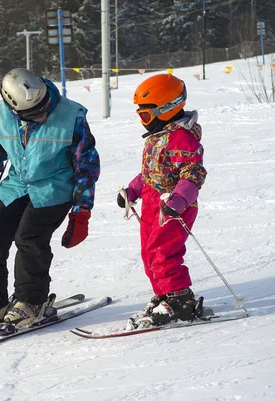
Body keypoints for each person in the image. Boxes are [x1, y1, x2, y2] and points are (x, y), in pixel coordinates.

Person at [0, 68, 100, 331]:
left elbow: (86, 165)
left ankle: (31, 302)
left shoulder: (72, 116)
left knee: (29, 238)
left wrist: (81, 212)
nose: (43, 113)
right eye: (34, 112)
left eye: (44, 105)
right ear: (13, 108)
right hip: (16, 186)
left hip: (55, 187)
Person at [118, 73, 207, 327]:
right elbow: (150, 173)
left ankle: (180, 300)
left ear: (167, 109)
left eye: (145, 115)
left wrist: (179, 200)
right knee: (149, 253)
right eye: (140, 116)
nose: (142, 122)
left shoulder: (181, 137)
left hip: (173, 205)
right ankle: (165, 294)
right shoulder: (158, 136)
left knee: (163, 253)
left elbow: (194, 172)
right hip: (151, 202)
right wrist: (131, 191)